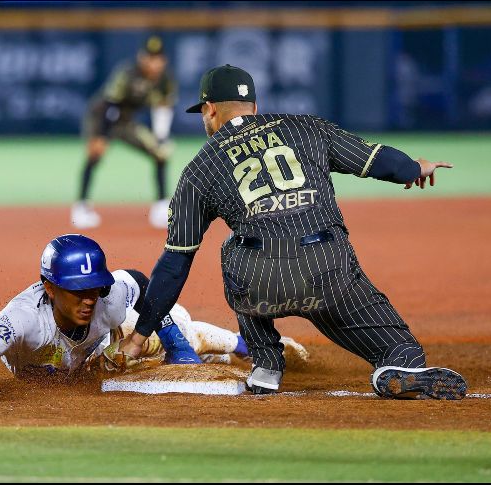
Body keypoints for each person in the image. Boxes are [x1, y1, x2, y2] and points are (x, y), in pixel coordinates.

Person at [116, 64, 468, 400]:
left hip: (260, 282)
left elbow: (175, 263)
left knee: (234, 246)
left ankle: (266, 365)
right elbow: (376, 161)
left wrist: (141, 334)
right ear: (254, 106)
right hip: (328, 272)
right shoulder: (306, 127)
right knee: (402, 348)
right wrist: (414, 168)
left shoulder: (199, 168)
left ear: (209, 110)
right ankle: (396, 366)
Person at [0, 234, 308, 384]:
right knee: (130, 367)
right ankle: (222, 361)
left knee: (177, 329)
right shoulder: (24, 317)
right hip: (85, 362)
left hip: (103, 344)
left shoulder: (107, 296)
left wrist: (173, 342)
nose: (89, 298)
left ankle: (245, 347)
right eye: (77, 291)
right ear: (49, 288)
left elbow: (142, 281)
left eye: (94, 288)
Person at [72, 35, 177, 230]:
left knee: (159, 153)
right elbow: (110, 104)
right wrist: (101, 136)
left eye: (158, 58)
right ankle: (81, 207)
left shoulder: (165, 79)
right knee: (95, 154)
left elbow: (163, 108)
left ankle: (161, 207)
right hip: (101, 116)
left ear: (164, 60)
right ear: (141, 57)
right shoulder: (128, 73)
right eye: (150, 57)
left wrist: (161, 137)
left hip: (126, 122)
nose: (154, 63)